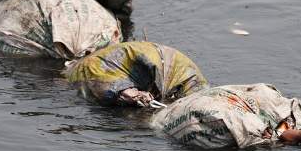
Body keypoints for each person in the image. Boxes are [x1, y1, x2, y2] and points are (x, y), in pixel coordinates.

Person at [65, 41, 208, 107]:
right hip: (168, 60)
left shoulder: (89, 67)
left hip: (159, 63)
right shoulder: (95, 66)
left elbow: (104, 86)